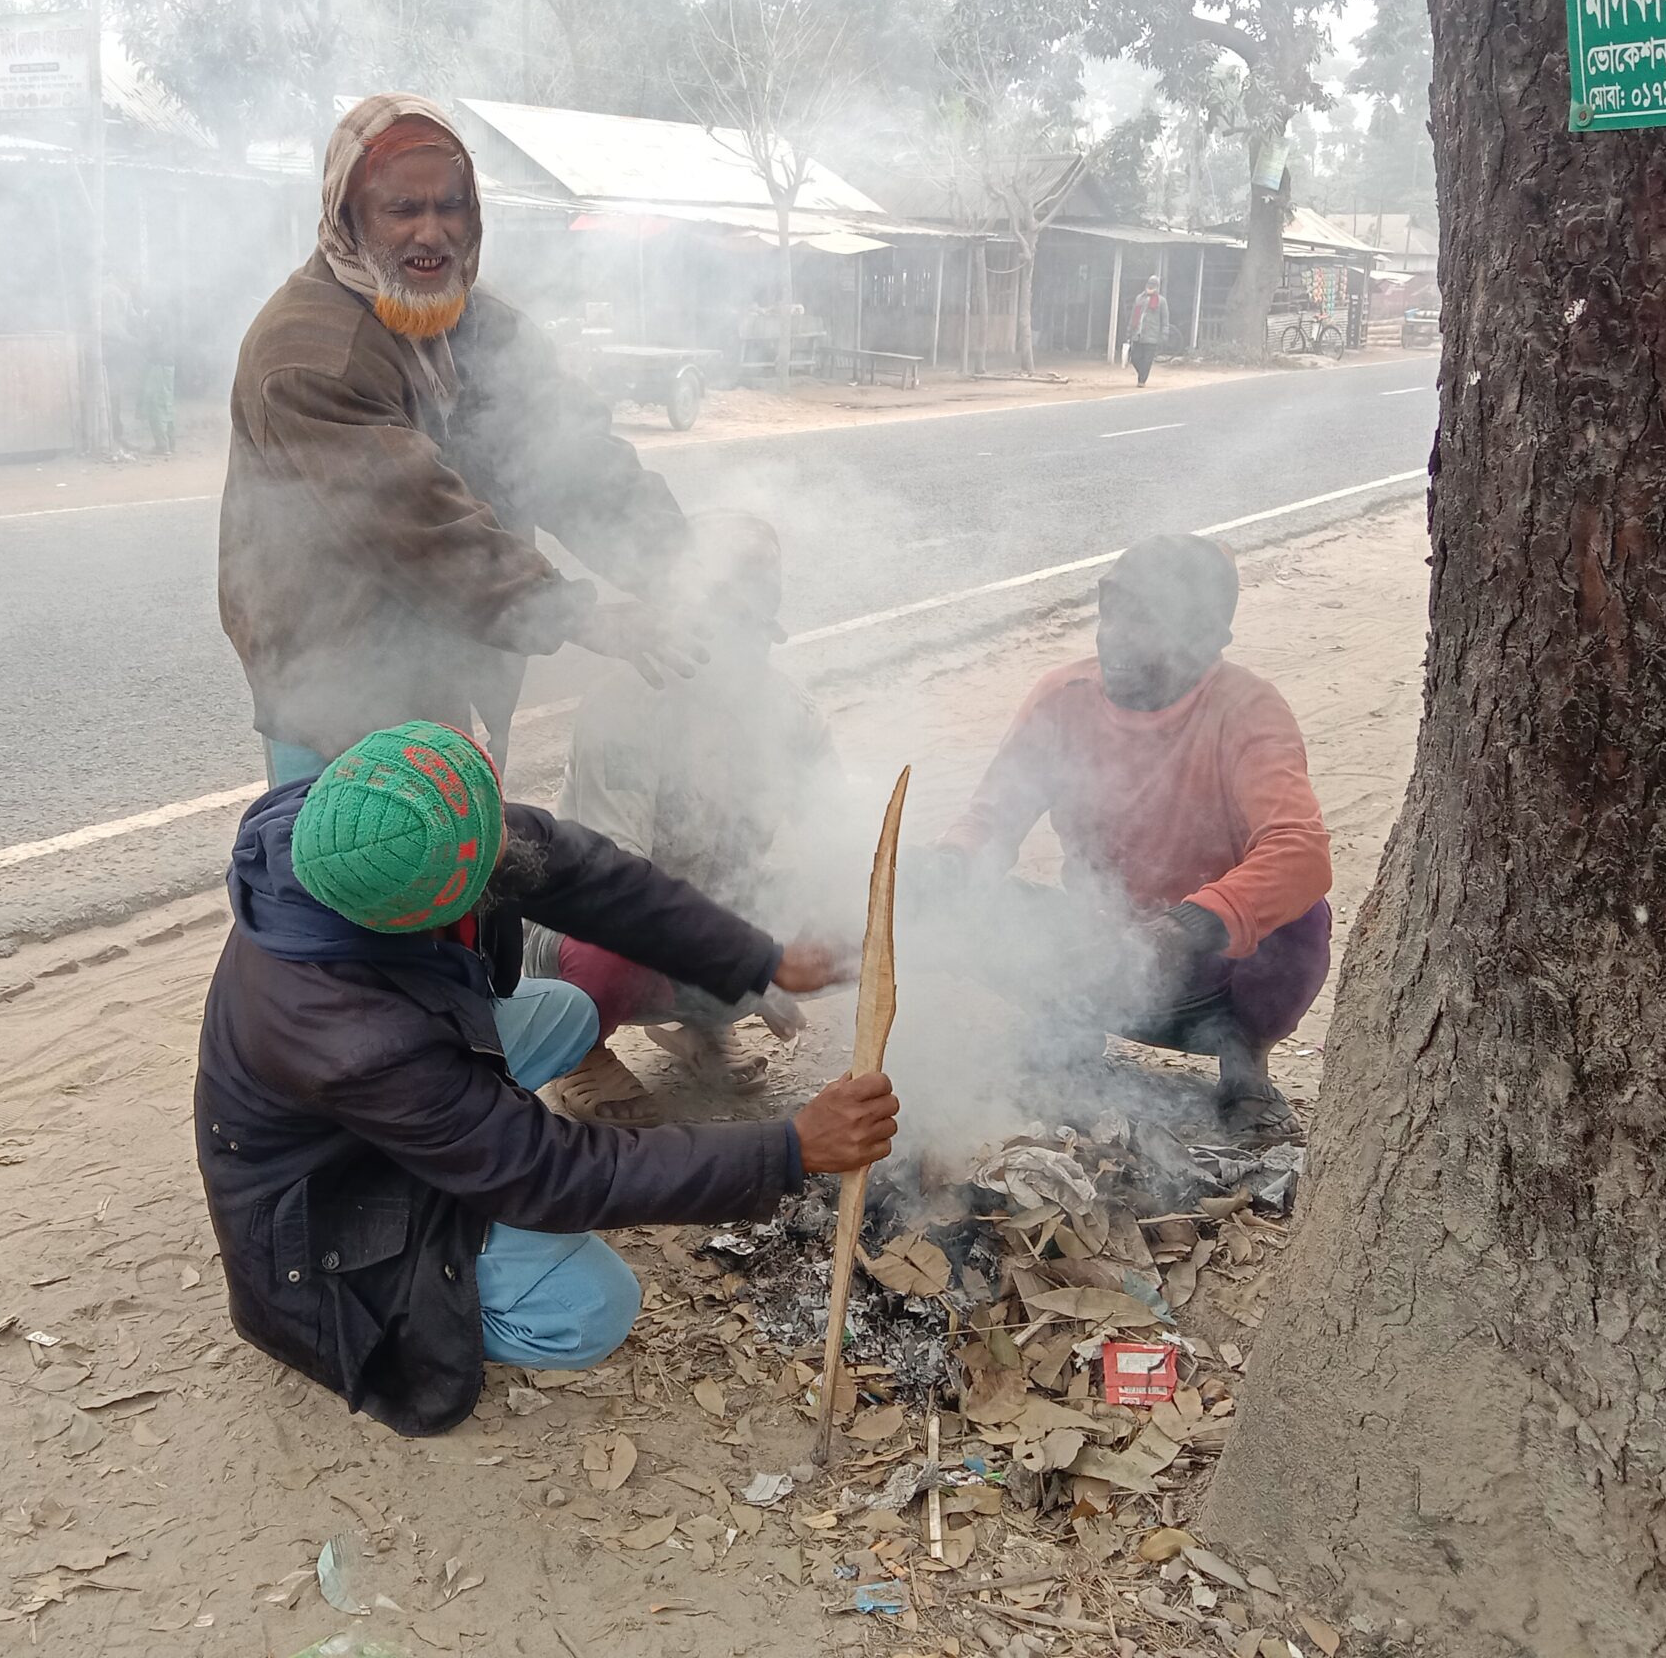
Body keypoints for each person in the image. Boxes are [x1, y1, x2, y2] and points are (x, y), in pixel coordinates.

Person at [195, 720, 898, 1436]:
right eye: (490, 851)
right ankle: (449, 1278)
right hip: (337, 1206)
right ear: (429, 913)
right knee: (592, 1310)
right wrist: (788, 1150)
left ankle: (463, 1149)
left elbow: (577, 870)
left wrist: (760, 958)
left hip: (393, 1109)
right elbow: (545, 1172)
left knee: (561, 1011)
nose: (509, 844)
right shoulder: (351, 1034)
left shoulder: (383, 819)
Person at [221, 93, 702, 784]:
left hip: (462, 658)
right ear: (348, 219)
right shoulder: (306, 355)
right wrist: (581, 615)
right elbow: (418, 523)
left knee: (469, 876)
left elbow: (575, 463)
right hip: (340, 695)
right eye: (403, 209)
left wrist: (686, 570)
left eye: (451, 206)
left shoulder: (485, 326)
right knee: (353, 877)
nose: (432, 232)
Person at [921, 535, 1332, 1138]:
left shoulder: (1246, 709)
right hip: (1096, 955)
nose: (1114, 635)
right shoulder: (1064, 698)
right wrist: (949, 864)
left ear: (1205, 641)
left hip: (1209, 973)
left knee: (1302, 922)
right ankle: (1066, 1027)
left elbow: (1300, 851)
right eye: (1112, 610)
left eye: (1148, 618)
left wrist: (1183, 927)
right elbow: (991, 818)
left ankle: (1244, 1064)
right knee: (971, 900)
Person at [532, 511, 857, 1125]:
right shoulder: (624, 711)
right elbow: (613, 888)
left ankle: (700, 1030)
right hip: (592, 925)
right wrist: (755, 967)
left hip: (705, 919)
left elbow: (836, 842)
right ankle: (575, 1050)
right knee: (610, 951)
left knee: (849, 922)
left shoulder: (791, 714)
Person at [1125, 274, 1169, 387]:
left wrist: (1164, 334)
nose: (1151, 287)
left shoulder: (1161, 301)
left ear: (1157, 287)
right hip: (1138, 334)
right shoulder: (1139, 298)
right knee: (1135, 358)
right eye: (1149, 284)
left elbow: (1165, 319)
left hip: (1152, 336)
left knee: (1147, 360)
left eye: (1153, 285)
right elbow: (1133, 315)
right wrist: (1129, 330)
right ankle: (1142, 373)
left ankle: (1142, 380)